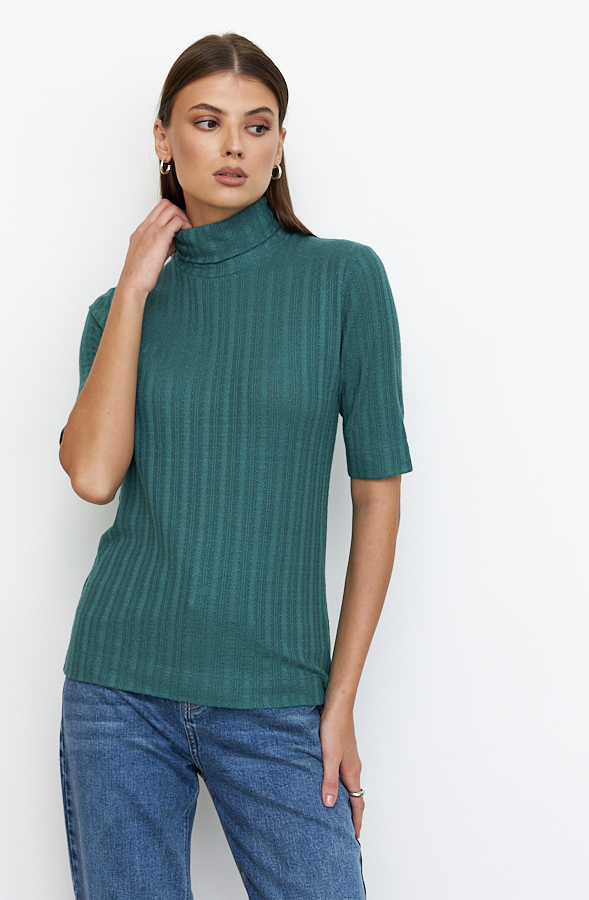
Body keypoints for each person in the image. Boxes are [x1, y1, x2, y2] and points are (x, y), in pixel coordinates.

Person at [57, 31, 412, 900]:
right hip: (118, 692)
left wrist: (339, 702)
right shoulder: (117, 311)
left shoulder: (343, 279)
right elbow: (94, 477)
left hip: (277, 692)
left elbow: (377, 499)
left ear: (281, 144)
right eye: (207, 122)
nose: (235, 147)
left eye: (258, 126)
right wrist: (135, 287)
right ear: (163, 137)